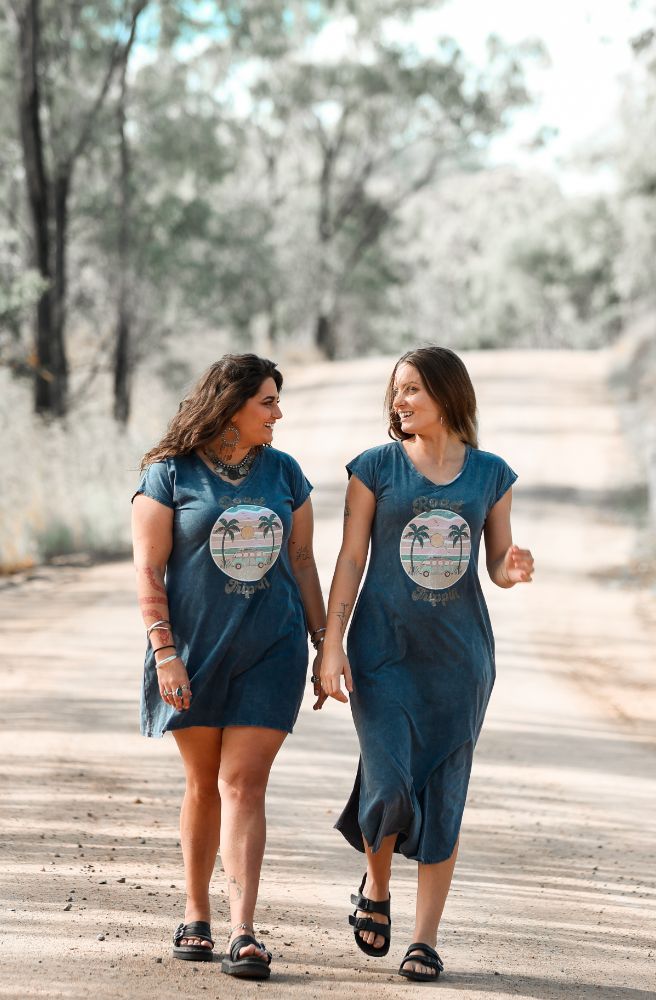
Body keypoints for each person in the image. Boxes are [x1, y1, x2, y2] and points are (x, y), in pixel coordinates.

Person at [319, 346, 534, 982]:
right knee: (387, 783)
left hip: (460, 659)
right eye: (396, 391)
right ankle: (378, 889)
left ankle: (425, 937)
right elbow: (350, 559)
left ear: (447, 395)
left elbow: (494, 564)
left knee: (444, 791)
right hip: (383, 652)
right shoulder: (375, 469)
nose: (400, 401)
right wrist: (330, 643)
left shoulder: (490, 474)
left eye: (412, 389)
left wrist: (511, 571)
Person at [131, 354, 325, 979]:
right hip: (192, 653)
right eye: (268, 401)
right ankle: (196, 914)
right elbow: (147, 570)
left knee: (244, 782)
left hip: (272, 648)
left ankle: (243, 929)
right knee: (202, 781)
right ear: (233, 404)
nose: (277, 412)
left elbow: (302, 561)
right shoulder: (169, 475)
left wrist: (326, 643)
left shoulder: (285, 473)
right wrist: (165, 653)